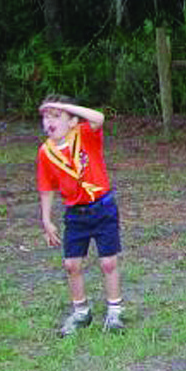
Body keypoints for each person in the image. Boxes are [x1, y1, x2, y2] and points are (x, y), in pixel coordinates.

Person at [37, 96, 126, 336]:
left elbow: (99, 117)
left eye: (56, 116)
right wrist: (46, 219)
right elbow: (46, 188)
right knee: (71, 264)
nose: (49, 122)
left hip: (103, 208)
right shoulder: (46, 152)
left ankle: (115, 311)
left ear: (73, 120)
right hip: (75, 214)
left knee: (108, 262)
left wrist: (66, 108)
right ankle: (81, 312)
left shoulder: (85, 134)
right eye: (46, 116)